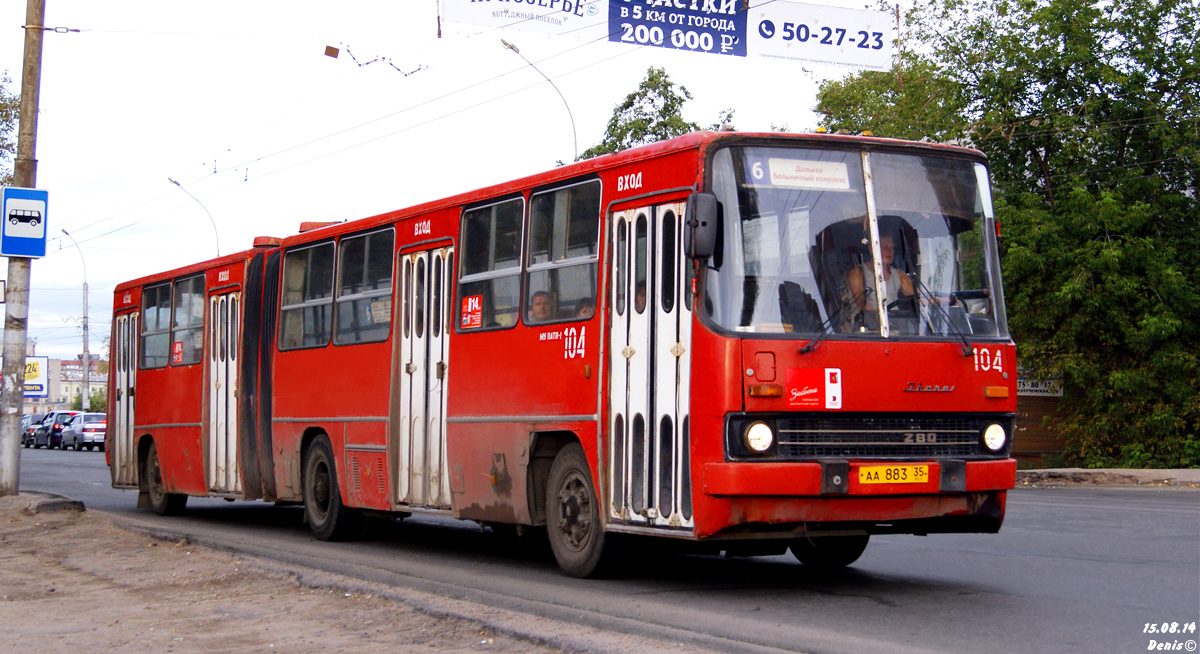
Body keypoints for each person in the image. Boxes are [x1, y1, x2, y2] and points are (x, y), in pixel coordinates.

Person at [845, 235, 915, 317]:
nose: (890, 251)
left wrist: (930, 300)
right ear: (872, 249)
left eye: (892, 248)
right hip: (867, 325)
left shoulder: (900, 275)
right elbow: (863, 306)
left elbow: (918, 298)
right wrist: (887, 323)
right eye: (885, 247)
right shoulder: (857, 273)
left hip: (896, 322)